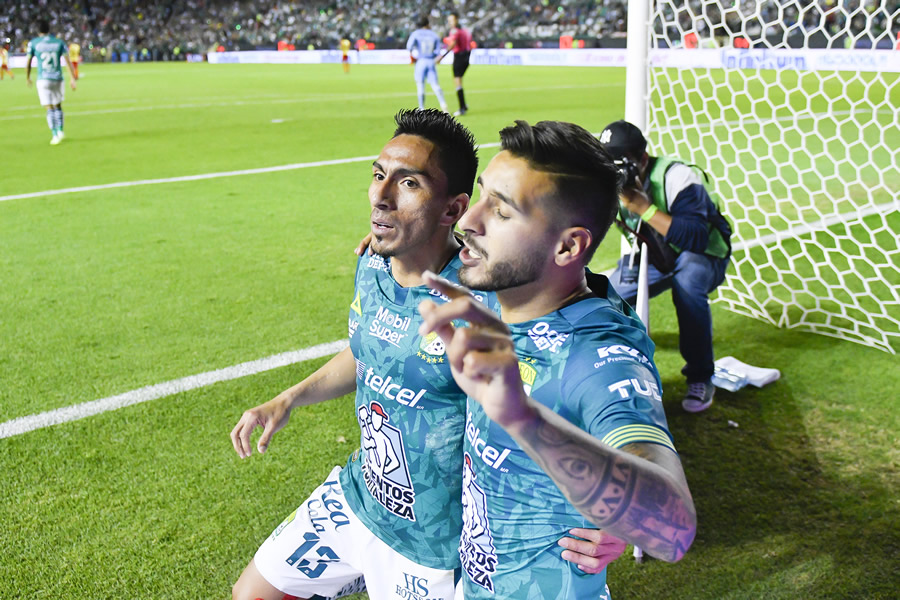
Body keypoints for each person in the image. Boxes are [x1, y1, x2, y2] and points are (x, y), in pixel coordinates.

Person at [230, 110, 623, 600]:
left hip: (437, 549)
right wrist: (289, 398)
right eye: (378, 176)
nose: (381, 195)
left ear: (452, 209)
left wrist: (618, 513)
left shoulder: (489, 297)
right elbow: (373, 351)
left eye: (408, 183)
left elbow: (588, 375)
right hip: (360, 498)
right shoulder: (374, 262)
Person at [417, 119, 698, 599]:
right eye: (483, 196)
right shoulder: (503, 290)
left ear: (569, 246)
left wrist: (523, 418)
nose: (468, 221)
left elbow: (673, 531)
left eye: (500, 213)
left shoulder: (598, 356)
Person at [598, 120, 732, 413]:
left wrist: (643, 207)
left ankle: (700, 375)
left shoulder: (679, 177)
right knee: (607, 298)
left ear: (642, 159)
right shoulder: (605, 184)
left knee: (688, 284)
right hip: (655, 252)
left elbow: (695, 238)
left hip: (704, 253)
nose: (616, 173)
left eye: (623, 165)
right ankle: (607, 374)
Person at [26, 20, 77, 146]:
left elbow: (28, 62)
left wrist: (28, 77)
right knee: (58, 105)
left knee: (49, 108)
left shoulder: (33, 43)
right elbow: (67, 61)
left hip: (43, 79)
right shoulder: (59, 42)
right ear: (49, 29)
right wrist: (72, 78)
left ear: (38, 31)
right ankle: (60, 131)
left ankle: (54, 134)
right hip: (57, 78)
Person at [406, 16, 448, 112]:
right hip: (431, 61)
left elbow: (409, 47)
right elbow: (438, 51)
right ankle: (443, 104)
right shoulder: (434, 35)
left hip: (421, 61)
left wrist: (413, 56)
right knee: (435, 85)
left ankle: (421, 108)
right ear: (427, 23)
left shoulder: (415, 33)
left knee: (420, 85)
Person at [438, 12, 471, 116]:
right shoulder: (464, 30)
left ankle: (462, 108)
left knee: (457, 81)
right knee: (459, 80)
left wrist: (442, 56)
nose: (450, 22)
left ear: (456, 20)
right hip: (466, 57)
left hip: (459, 57)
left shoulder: (454, 31)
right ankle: (464, 105)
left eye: (451, 20)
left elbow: (452, 44)